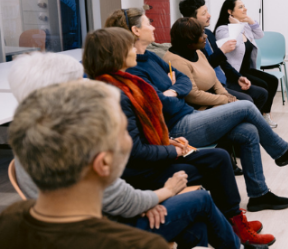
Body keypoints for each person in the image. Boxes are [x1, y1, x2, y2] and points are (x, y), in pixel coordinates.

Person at [6, 52, 267, 248]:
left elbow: (104, 194)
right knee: (200, 200)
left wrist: (145, 202)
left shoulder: (30, 135)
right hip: (106, 225)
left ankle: (235, 233)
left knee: (198, 224)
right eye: (78, 83)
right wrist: (161, 194)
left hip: (93, 219)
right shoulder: (74, 140)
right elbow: (110, 193)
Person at [104, 8, 288, 213]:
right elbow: (159, 103)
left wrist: (172, 90)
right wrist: (171, 91)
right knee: (247, 105)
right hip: (177, 127)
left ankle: (259, 195)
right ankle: (282, 151)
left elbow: (184, 82)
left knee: (249, 131)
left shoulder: (150, 57)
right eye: (148, 22)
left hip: (189, 115)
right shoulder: (133, 68)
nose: (153, 26)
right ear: (135, 31)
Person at [83, 27, 276, 246]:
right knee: (208, 165)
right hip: (141, 171)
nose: (135, 50)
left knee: (219, 157)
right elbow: (134, 151)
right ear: (115, 54)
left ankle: (232, 223)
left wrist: (168, 142)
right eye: (129, 46)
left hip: (157, 150)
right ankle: (232, 227)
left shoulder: (128, 84)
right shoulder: (119, 94)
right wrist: (172, 149)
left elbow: (146, 129)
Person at [0, 81, 168, 248]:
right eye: (124, 131)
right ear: (103, 163)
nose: (131, 139)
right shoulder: (143, 244)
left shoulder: (10, 217)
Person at [179, 0, 269, 112]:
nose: (209, 15)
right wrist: (222, 51)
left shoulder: (208, 33)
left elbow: (222, 62)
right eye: (204, 13)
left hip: (224, 79)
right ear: (192, 18)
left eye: (208, 11)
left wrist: (238, 77)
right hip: (213, 85)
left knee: (261, 93)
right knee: (248, 100)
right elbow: (204, 67)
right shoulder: (190, 41)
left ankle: (252, 124)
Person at [213, 0, 278, 128]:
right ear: (230, 12)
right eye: (241, 7)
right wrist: (237, 26)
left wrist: (251, 21)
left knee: (273, 80)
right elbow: (233, 44)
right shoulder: (222, 30)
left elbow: (260, 35)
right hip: (234, 72)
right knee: (263, 85)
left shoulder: (244, 26)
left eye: (244, 6)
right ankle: (258, 117)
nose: (245, 9)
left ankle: (265, 115)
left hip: (247, 69)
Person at [164, 18, 237, 109]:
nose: (205, 36)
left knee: (246, 105)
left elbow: (213, 77)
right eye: (200, 34)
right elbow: (193, 96)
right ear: (189, 39)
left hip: (214, 99)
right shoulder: (176, 61)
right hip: (199, 107)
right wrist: (224, 99)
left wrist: (224, 94)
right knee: (246, 107)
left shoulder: (197, 51)